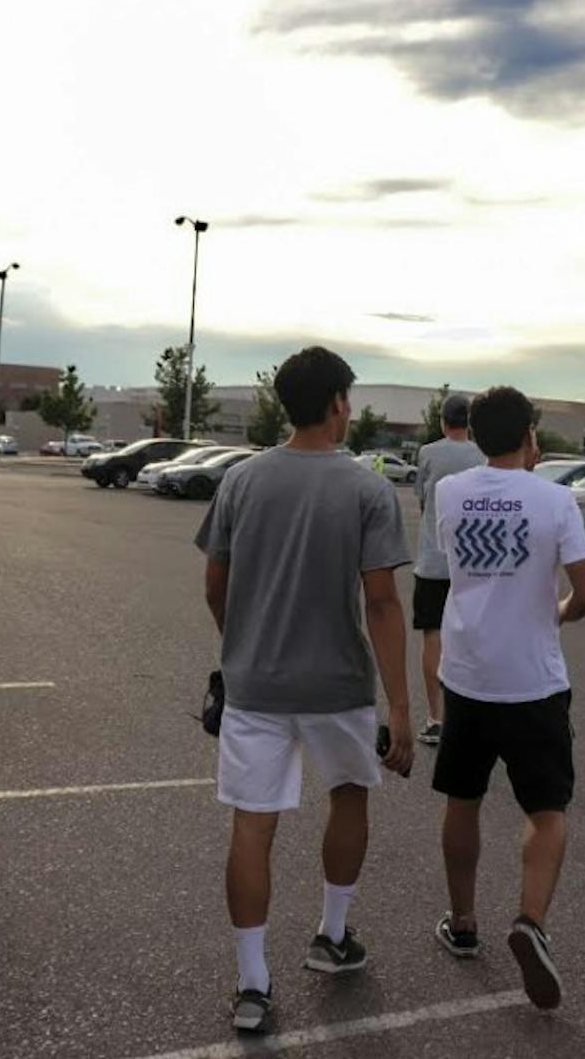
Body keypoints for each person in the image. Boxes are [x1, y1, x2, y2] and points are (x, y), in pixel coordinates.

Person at [200, 346, 414, 1035]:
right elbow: (381, 602)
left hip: (254, 684)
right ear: (338, 404)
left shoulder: (240, 480)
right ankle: (332, 934)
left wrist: (241, 643)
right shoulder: (367, 489)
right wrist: (401, 705)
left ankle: (252, 982)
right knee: (348, 795)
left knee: (252, 823)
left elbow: (215, 582)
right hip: (338, 685)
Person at [430, 386, 585, 1011]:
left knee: (463, 799)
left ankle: (463, 922)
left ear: (475, 434)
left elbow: (458, 563)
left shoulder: (450, 491)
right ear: (530, 435)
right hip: (533, 681)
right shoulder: (556, 500)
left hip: (467, 676)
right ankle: (530, 920)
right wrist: (558, 611)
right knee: (547, 810)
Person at [411, 393, 485, 745]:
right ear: (469, 423)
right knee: (472, 639)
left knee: (432, 636)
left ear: (443, 421)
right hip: (472, 563)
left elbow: (423, 500)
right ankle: (473, 719)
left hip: (432, 561)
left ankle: (435, 718)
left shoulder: (428, 453)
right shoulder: (482, 456)